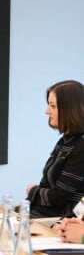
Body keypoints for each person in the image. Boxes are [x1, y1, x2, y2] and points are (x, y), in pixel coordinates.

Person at [26, 79, 84, 219]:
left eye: (52, 106)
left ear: (69, 109)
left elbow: (60, 197)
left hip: (62, 220)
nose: (47, 111)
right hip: (46, 213)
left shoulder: (80, 146)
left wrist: (32, 191)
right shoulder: (65, 141)